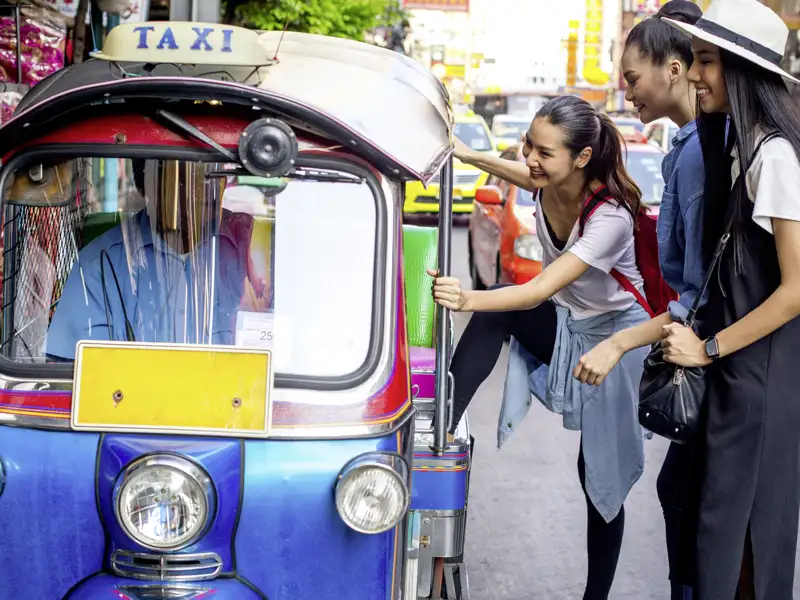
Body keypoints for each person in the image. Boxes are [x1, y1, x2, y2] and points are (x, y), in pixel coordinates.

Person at [430, 95, 651, 600]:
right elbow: (517, 171)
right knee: (499, 310)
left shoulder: (610, 217)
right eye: (529, 144)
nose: (530, 158)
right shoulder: (544, 181)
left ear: (581, 158)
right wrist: (468, 154)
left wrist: (466, 298)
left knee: (599, 476)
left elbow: (538, 290)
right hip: (571, 326)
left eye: (544, 152)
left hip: (616, 343)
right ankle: (441, 426)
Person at [660, 0, 800, 598]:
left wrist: (708, 349)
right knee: (718, 541)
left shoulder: (776, 158)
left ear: (743, 71)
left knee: (747, 546)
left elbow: (796, 290)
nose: (694, 74)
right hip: (737, 384)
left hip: (760, 391)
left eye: (707, 61)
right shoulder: (741, 148)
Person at [571, 2, 705, 598]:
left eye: (632, 78)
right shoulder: (685, 146)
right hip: (684, 336)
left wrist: (622, 341)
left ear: (674, 68)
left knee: (690, 501)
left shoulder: (699, 153)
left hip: (706, 348)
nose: (626, 93)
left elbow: (700, 289)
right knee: (680, 494)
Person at [45, 159, 263, 360]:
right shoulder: (98, 267)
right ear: (148, 184)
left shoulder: (256, 250)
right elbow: (77, 375)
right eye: (185, 178)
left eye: (214, 173)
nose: (207, 187)